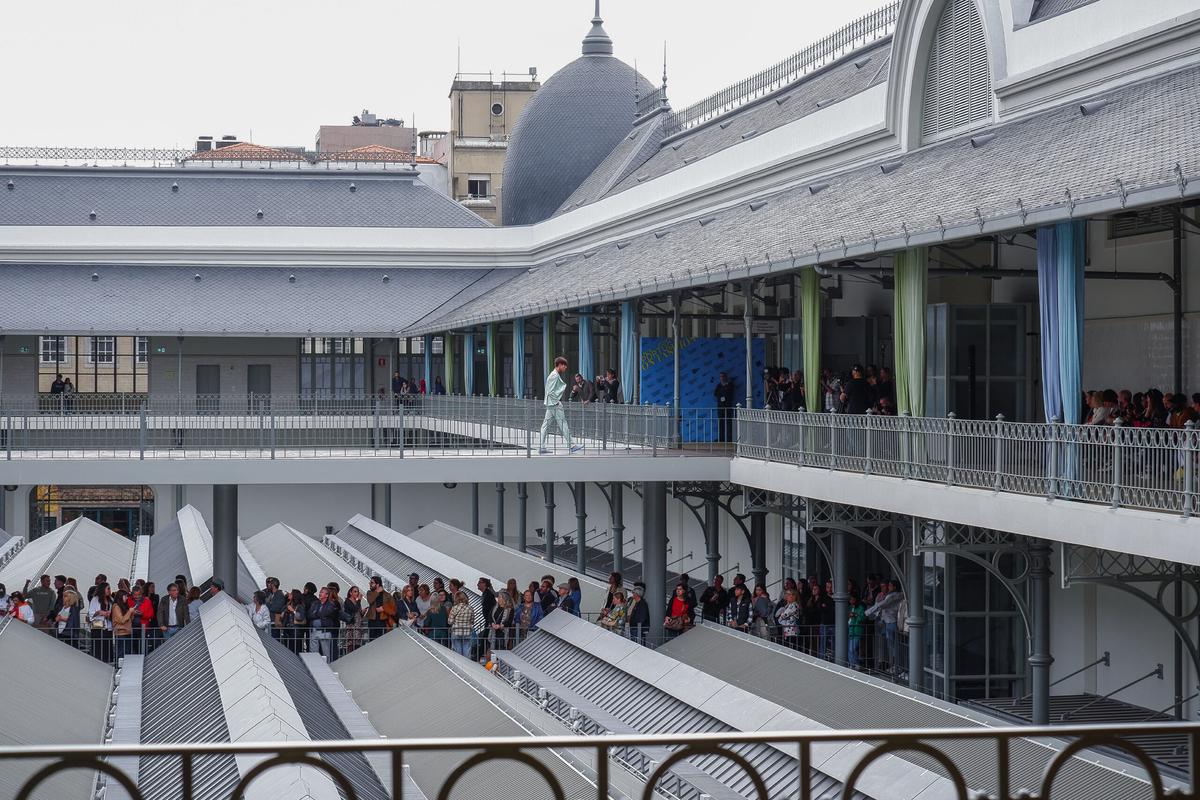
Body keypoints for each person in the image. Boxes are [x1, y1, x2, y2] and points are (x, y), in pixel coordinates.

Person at [539, 356, 581, 454]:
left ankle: (541, 447)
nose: (565, 368)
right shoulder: (554, 375)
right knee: (563, 423)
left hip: (551, 404)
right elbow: (550, 391)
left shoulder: (553, 374)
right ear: (560, 365)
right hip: (554, 404)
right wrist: (557, 401)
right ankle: (572, 445)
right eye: (564, 366)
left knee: (545, 425)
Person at [866, 580, 904, 673]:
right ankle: (894, 665)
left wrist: (868, 612)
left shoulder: (893, 595)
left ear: (894, 587)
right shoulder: (894, 595)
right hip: (888, 622)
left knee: (893, 646)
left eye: (890, 586)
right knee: (891, 645)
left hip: (891, 622)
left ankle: (896, 666)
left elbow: (882, 604)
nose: (888, 588)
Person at [309, 587, 340, 662]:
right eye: (320, 592)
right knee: (313, 652)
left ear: (326, 595)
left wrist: (316, 614)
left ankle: (328, 667)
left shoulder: (330, 604)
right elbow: (309, 614)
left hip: (325, 631)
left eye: (322, 592)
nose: (320, 594)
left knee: (326, 653)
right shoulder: (315, 603)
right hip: (314, 630)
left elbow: (326, 613)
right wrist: (319, 615)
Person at [88, 582, 113, 662]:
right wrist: (99, 612)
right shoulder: (95, 599)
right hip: (97, 626)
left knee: (107, 645)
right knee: (98, 646)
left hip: (107, 626)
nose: (109, 590)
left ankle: (107, 661)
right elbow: (91, 614)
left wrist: (109, 614)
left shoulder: (111, 600)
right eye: (108, 588)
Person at [448, 590, 475, 658]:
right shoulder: (470, 608)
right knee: (467, 651)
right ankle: (467, 666)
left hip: (456, 632)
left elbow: (450, 621)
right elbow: (472, 621)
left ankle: (459, 666)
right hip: (467, 632)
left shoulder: (454, 608)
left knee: (457, 652)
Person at [487, 590, 514, 657]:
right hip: (493, 631)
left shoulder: (510, 609)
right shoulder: (495, 607)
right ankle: (493, 665)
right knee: (492, 650)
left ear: (504, 599)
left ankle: (500, 665)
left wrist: (501, 625)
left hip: (503, 633)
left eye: (500, 597)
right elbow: (490, 617)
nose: (498, 598)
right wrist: (492, 624)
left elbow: (509, 621)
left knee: (501, 650)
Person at [111, 592, 134, 660]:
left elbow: (130, 619)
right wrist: (129, 612)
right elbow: (122, 620)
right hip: (121, 633)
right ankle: (119, 668)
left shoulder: (124, 606)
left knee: (127, 653)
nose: (127, 598)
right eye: (125, 596)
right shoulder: (116, 607)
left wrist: (132, 613)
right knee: (121, 654)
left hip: (128, 632)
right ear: (121, 597)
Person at [847, 594, 867, 669]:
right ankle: (853, 663)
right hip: (850, 629)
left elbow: (862, 618)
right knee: (850, 648)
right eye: (850, 599)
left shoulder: (860, 607)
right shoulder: (850, 607)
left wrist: (855, 615)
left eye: (852, 599)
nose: (851, 601)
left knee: (852, 648)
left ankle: (854, 663)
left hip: (857, 630)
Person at [714, 372, 736, 437]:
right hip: (720, 407)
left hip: (728, 406)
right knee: (721, 422)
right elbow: (715, 394)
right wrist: (720, 397)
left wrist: (725, 395)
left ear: (726, 377)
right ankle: (721, 439)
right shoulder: (719, 386)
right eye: (721, 376)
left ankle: (730, 439)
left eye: (723, 376)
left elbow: (730, 394)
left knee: (729, 422)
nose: (722, 378)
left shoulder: (730, 385)